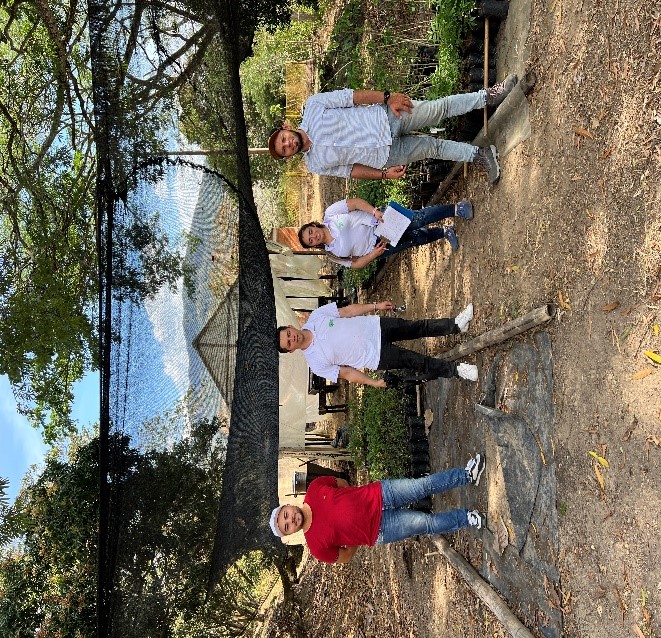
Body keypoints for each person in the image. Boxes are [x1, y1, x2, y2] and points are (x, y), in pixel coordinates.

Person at [267, 75, 518, 185]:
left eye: (284, 139)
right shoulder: (315, 165)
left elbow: (352, 97)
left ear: (286, 129)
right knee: (434, 148)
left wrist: (387, 98)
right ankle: (480, 155)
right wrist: (383, 175)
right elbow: (351, 170)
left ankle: (488, 96)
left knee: (438, 109)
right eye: (284, 149)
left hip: (387, 118)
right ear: (288, 156)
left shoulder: (314, 106)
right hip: (386, 155)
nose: (288, 144)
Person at [269, 454, 487, 563]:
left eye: (285, 515)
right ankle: (467, 518)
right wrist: (354, 532)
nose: (291, 520)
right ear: (290, 533)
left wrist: (356, 500)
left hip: (381, 493)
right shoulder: (317, 548)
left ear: (288, 505)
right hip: (381, 530)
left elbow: (341, 483)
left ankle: (467, 475)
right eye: (286, 526)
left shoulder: (315, 488)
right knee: (426, 523)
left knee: (423, 485)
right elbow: (345, 556)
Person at [277, 300, 478, 385]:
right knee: (417, 362)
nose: (292, 338)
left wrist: (376, 306)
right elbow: (347, 373)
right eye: (288, 343)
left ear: (291, 327)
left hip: (376, 326)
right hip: (376, 356)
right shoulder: (316, 363)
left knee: (418, 327)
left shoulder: (317, 316)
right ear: (291, 350)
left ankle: (456, 325)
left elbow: (348, 311)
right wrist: (373, 383)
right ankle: (457, 370)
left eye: (288, 334)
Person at [298, 197, 473, 265]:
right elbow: (355, 263)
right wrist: (373, 254)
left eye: (310, 232)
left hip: (378, 222)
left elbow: (354, 203)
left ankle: (457, 208)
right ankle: (444, 232)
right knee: (414, 239)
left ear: (313, 225)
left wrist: (374, 211)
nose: (314, 236)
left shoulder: (330, 214)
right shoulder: (332, 254)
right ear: (313, 246)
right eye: (310, 241)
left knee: (418, 219)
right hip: (378, 247)